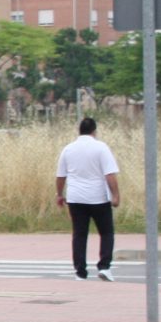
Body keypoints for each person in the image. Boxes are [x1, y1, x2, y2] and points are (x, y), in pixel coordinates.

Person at [56, 117, 120, 282]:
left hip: (75, 198)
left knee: (79, 234)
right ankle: (104, 267)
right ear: (94, 131)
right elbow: (110, 174)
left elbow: (61, 176)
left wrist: (59, 194)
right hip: (98, 198)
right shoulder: (101, 148)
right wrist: (115, 195)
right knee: (106, 232)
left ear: (79, 130)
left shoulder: (68, 149)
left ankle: (80, 272)